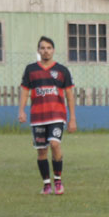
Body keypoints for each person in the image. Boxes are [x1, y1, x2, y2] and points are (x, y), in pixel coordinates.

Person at [18, 36, 77, 195]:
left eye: (49, 48)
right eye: (43, 48)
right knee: (41, 151)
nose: (46, 51)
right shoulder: (31, 70)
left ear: (54, 50)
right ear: (38, 50)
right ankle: (46, 184)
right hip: (38, 117)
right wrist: (21, 110)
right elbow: (24, 91)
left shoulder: (62, 70)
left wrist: (72, 118)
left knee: (55, 144)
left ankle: (58, 181)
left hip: (57, 115)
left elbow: (70, 95)